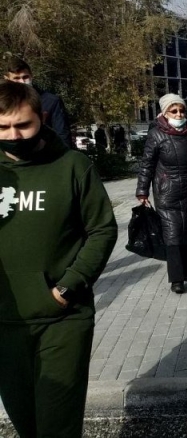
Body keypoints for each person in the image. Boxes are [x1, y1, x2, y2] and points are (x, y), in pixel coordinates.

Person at [0, 81, 117, 437]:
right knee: (25, 423)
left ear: (42, 118)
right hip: (6, 322)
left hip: (62, 318)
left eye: (23, 125)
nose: (13, 134)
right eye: (3, 127)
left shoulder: (71, 166)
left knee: (57, 425)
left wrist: (67, 287)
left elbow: (102, 230)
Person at [135, 94, 187, 294]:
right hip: (167, 192)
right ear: (165, 113)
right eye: (173, 111)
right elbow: (147, 164)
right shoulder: (156, 134)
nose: (179, 114)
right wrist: (142, 191)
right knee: (173, 235)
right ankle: (177, 279)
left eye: (181, 110)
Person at [4, 56, 72, 148]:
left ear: (31, 75)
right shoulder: (3, 103)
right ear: (7, 79)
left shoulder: (51, 101)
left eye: (25, 77)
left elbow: (63, 134)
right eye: (16, 78)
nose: (22, 81)